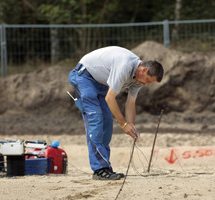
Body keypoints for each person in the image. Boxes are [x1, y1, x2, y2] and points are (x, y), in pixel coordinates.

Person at [69, 46, 164, 180]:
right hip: (84, 77)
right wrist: (123, 123)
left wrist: (131, 125)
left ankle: (105, 166)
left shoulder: (138, 79)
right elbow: (109, 98)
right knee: (96, 120)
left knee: (107, 121)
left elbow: (130, 103)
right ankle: (99, 169)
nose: (146, 84)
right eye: (148, 80)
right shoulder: (125, 66)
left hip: (101, 83)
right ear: (144, 70)